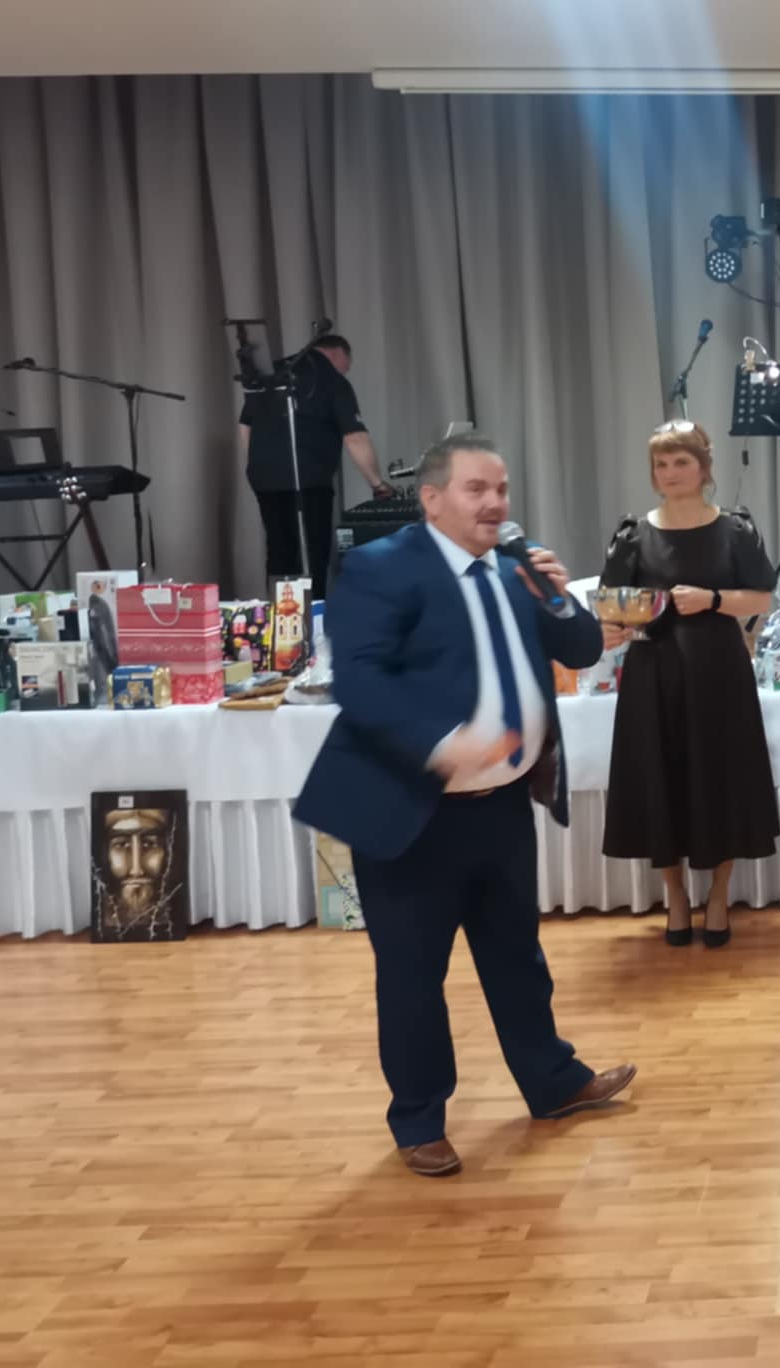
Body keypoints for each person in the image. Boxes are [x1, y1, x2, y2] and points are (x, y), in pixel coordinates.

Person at [292, 432, 634, 1179]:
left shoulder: (518, 565)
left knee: (517, 956)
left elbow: (582, 649)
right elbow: (360, 681)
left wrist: (557, 594)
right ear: (432, 498)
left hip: (503, 804)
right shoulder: (380, 567)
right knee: (413, 974)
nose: (495, 503)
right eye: (477, 489)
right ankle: (419, 1121)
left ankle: (552, 1082)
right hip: (412, 810)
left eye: (501, 489)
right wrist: (441, 745)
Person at [599, 421, 780, 948]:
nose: (670, 472)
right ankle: (675, 896)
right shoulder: (634, 534)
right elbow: (612, 607)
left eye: (681, 462)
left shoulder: (735, 530)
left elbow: (762, 598)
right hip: (652, 675)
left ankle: (718, 896)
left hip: (719, 674)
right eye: (661, 464)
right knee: (661, 781)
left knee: (722, 780)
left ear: (704, 468)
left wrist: (713, 600)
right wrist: (614, 626)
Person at [237, 334, 391, 597]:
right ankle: (313, 612)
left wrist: (257, 464)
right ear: (337, 353)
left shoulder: (273, 374)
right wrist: (377, 483)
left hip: (264, 478)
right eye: (346, 365)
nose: (345, 371)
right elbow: (355, 437)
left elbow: (245, 426)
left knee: (279, 550)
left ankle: (281, 615)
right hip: (308, 479)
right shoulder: (332, 380)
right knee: (313, 552)